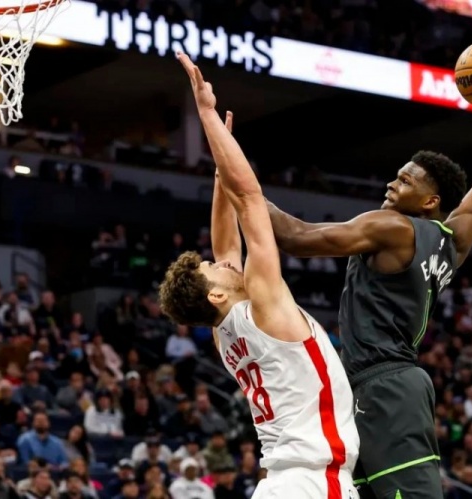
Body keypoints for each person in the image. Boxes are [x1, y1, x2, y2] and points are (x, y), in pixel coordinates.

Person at [265, 50, 472, 498]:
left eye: (407, 181)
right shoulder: (455, 238)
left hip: (386, 386)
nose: (393, 183)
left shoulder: (392, 227)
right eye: (397, 176)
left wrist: (241, 184)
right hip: (373, 387)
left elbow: (296, 237)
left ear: (430, 201)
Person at [158, 52, 360, 499]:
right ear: (215, 296)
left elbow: (226, 244)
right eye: (213, 269)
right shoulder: (265, 307)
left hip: (281, 482)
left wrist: (220, 168)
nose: (221, 262)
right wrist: (207, 115)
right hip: (313, 481)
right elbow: (249, 198)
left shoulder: (224, 332)